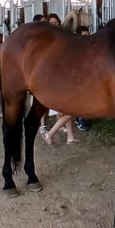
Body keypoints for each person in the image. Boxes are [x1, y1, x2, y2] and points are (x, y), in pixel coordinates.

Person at [39, 14, 80, 145]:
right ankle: (51, 134)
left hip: (65, 77)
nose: (54, 24)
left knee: (67, 110)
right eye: (52, 22)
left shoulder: (62, 37)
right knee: (70, 110)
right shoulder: (46, 40)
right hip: (57, 79)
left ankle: (70, 136)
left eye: (56, 22)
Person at [74, 25, 92, 132]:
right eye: (85, 34)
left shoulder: (88, 45)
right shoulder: (77, 47)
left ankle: (79, 119)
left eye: (88, 34)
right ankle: (81, 121)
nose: (88, 36)